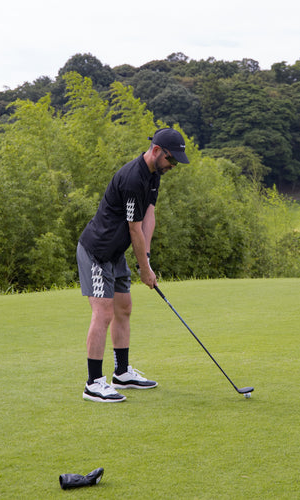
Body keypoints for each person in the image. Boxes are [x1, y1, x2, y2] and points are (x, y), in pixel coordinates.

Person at [77, 128, 189, 403]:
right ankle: (93, 383)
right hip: (98, 252)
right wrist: (144, 270)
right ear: (156, 151)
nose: (172, 167)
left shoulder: (153, 176)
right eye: (171, 160)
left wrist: (146, 259)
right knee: (103, 313)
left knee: (123, 308)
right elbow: (134, 229)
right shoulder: (132, 179)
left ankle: (122, 373)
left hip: (116, 253)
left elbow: (149, 215)